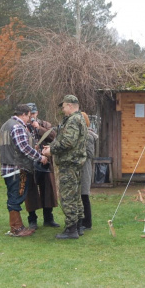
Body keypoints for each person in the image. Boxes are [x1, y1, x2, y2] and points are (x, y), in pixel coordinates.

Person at [42, 95, 87, 239]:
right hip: (75, 162)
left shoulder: (73, 119)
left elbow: (68, 142)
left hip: (69, 163)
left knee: (68, 196)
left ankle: (71, 229)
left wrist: (51, 150)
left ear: (70, 105)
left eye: (63, 106)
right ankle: (79, 225)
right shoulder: (79, 118)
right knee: (75, 196)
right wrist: (52, 146)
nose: (62, 109)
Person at [0, 104, 48, 237]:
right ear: (24, 114)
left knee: (12, 197)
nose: (29, 119)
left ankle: (16, 226)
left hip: (7, 167)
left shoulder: (6, 125)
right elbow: (24, 147)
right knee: (16, 198)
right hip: (17, 168)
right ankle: (17, 229)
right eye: (29, 116)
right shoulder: (17, 126)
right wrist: (40, 157)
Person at [24, 102, 60, 229]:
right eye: (30, 114)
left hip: (45, 162)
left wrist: (38, 128)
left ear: (37, 113)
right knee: (30, 191)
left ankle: (48, 218)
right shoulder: (22, 126)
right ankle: (32, 219)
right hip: (29, 162)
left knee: (48, 190)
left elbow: (53, 137)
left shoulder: (45, 124)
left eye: (33, 113)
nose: (31, 116)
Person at [80, 112, 97, 231]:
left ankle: (87, 223)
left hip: (84, 168)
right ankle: (81, 221)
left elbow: (90, 154)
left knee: (84, 195)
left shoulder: (89, 136)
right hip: (79, 167)